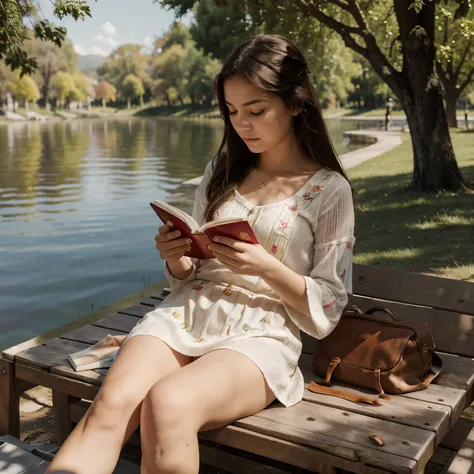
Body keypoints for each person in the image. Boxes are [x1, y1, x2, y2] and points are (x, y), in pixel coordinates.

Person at [46, 34, 356, 474]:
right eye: (232, 111)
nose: (242, 124)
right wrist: (176, 257)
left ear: (295, 104)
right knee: (109, 406)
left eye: (256, 110)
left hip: (261, 334)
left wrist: (265, 266)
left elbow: (329, 300)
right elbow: (190, 274)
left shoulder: (329, 191)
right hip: (185, 313)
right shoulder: (221, 171)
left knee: (167, 402)